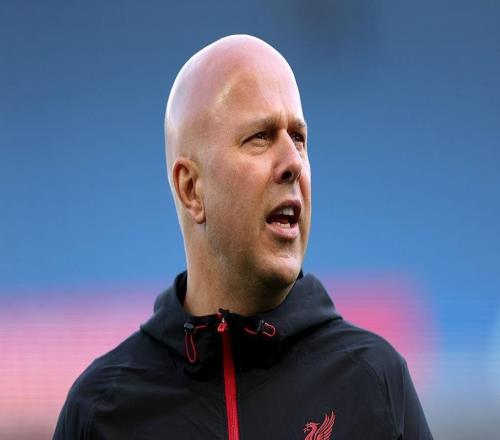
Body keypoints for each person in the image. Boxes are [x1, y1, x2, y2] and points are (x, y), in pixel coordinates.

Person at [54, 34, 433, 439]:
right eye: (261, 137)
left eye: (299, 138)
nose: (293, 163)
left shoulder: (373, 382)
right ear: (190, 189)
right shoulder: (100, 413)